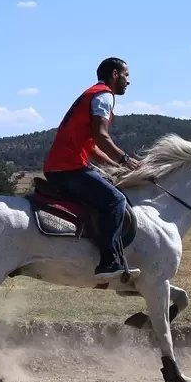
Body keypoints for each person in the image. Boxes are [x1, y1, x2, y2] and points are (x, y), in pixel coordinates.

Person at [43, 58, 143, 280]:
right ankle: (109, 262)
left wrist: (116, 164)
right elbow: (101, 135)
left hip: (58, 167)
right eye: (126, 75)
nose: (129, 81)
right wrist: (124, 158)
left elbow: (91, 146)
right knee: (116, 200)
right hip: (68, 168)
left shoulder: (90, 94)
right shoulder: (105, 95)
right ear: (115, 74)